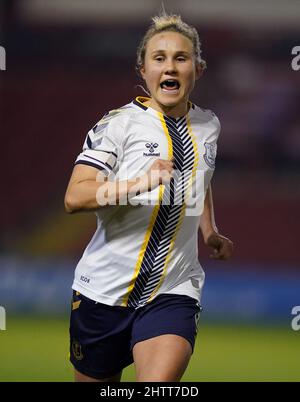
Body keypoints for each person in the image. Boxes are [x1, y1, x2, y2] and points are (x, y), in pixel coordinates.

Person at [64, 12, 233, 383]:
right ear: (143, 70)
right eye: (159, 58)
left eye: (181, 57)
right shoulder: (116, 125)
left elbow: (199, 178)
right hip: (102, 294)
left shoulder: (209, 125)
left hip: (173, 290)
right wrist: (138, 183)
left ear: (198, 69)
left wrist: (209, 230)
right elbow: (74, 196)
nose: (169, 66)